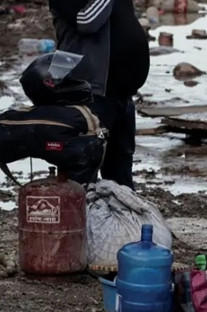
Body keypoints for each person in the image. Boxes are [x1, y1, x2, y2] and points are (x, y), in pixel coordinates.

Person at [49, 0, 149, 189]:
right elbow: (87, 22)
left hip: (122, 95)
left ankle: (122, 215)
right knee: (84, 168)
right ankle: (80, 215)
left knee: (121, 169)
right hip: (89, 94)